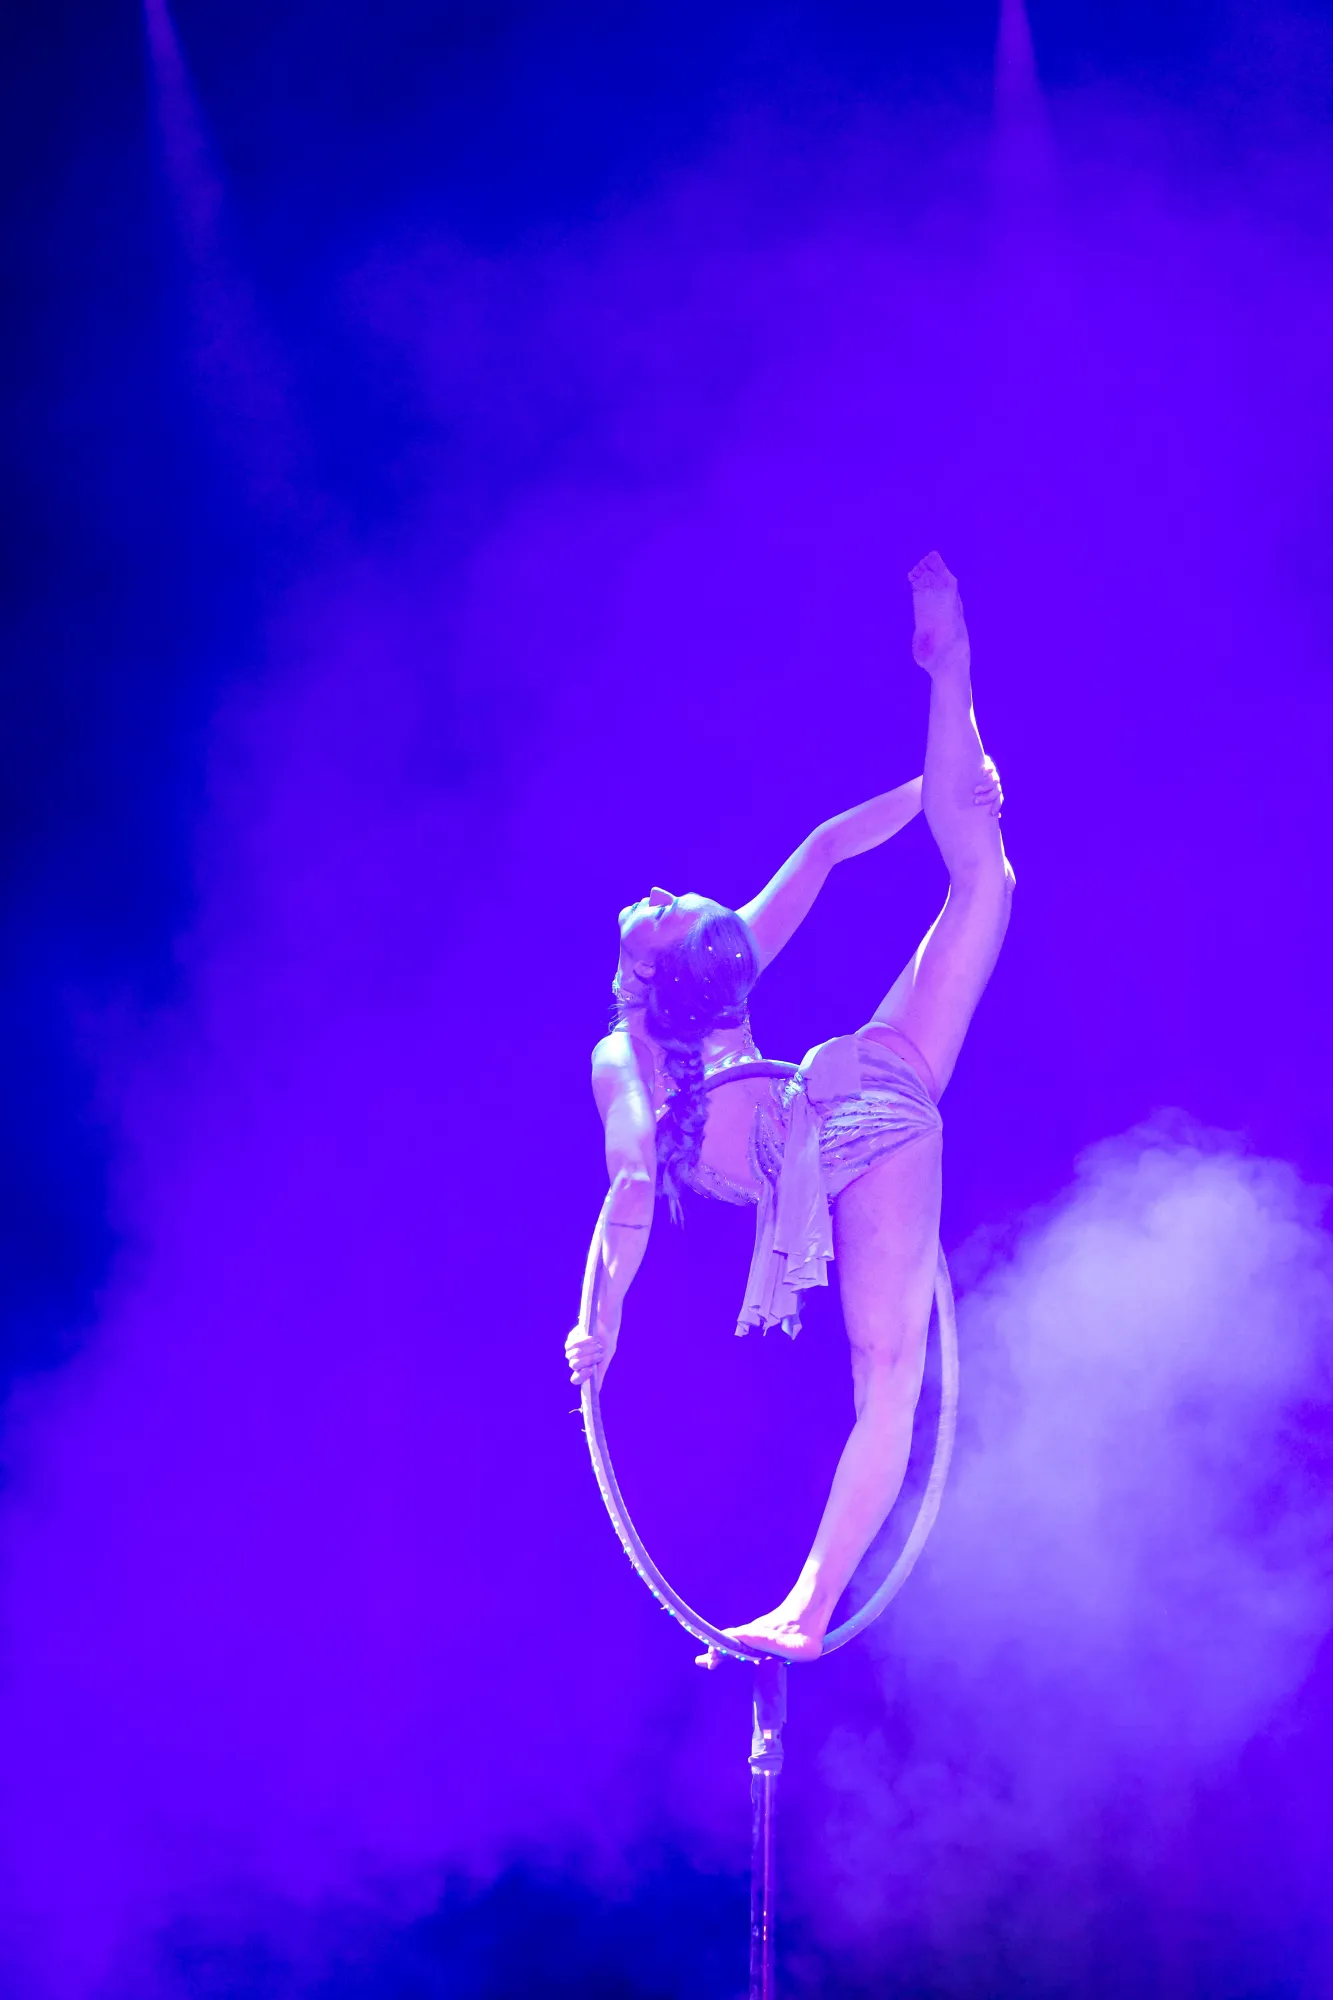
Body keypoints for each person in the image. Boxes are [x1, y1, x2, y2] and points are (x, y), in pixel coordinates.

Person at [565, 552, 1014, 1660]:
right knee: (983, 882)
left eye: (670, 903)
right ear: (667, 969)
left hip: (843, 1119)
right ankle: (949, 671)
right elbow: (822, 850)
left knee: (887, 1376)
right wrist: (600, 1314)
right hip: (855, 1089)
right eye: (671, 906)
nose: (661, 890)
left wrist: (604, 1316)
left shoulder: (643, 1041)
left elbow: (634, 1189)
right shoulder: (657, 1031)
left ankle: (808, 1610)